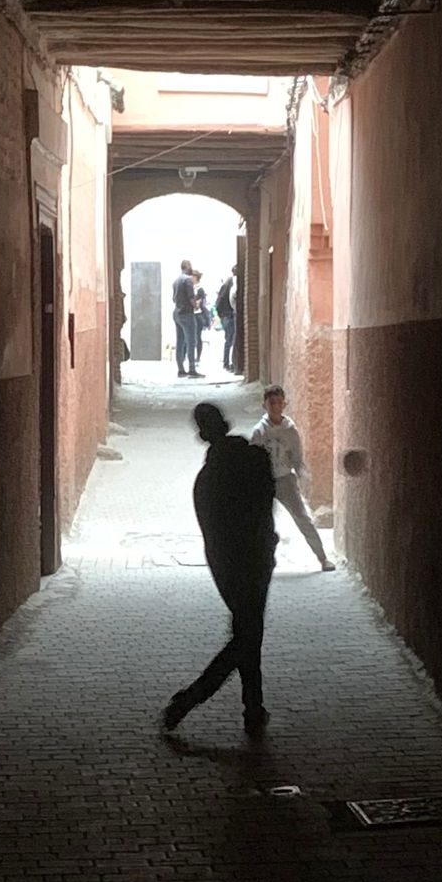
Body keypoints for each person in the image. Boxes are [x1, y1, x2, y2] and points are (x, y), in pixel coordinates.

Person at [163, 403, 277, 734]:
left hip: (229, 566)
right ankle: (239, 706)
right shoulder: (256, 459)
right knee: (249, 633)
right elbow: (267, 503)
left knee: (247, 632)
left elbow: (213, 533)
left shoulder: (207, 480)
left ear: (202, 434)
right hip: (258, 558)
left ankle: (240, 705)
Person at [251, 385, 334, 571]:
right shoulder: (259, 432)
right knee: (260, 522)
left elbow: (297, 457)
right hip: (264, 482)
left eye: (279, 403)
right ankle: (258, 562)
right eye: (272, 403)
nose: (275, 407)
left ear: (284, 404)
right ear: (264, 405)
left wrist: (302, 473)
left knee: (302, 518)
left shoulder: (290, 431)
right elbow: (252, 460)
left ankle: (322, 558)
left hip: (285, 479)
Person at [171, 259, 202, 378]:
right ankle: (192, 369)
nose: (191, 268)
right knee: (191, 342)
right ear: (187, 266)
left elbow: (174, 299)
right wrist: (196, 305)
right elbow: (191, 297)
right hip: (187, 313)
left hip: (177, 313)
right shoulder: (187, 280)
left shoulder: (175, 281)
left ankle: (181, 369)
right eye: (190, 265)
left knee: (180, 342)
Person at [215, 273, 236, 372]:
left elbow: (218, 304)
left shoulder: (224, 287)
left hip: (224, 316)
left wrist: (221, 315)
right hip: (229, 315)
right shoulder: (232, 286)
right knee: (231, 340)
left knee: (228, 340)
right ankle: (229, 363)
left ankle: (226, 362)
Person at [192, 272, 212, 366]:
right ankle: (192, 356)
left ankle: (198, 357)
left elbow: (199, 303)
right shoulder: (191, 287)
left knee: (197, 336)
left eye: (192, 277)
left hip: (197, 315)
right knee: (192, 336)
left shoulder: (200, 289)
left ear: (196, 278)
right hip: (192, 314)